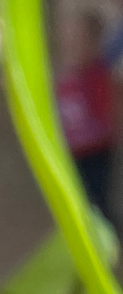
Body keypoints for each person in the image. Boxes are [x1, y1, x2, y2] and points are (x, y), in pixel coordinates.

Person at [58, 12, 119, 214]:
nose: (73, 46)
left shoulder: (97, 76)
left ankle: (108, 240)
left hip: (95, 151)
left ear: (94, 43)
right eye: (70, 40)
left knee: (96, 200)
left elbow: (108, 113)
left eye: (80, 40)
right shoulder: (64, 78)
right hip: (72, 153)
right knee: (78, 199)